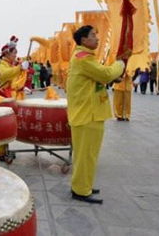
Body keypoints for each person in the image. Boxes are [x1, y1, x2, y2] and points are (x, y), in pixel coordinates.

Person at [67, 25, 125, 204]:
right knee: (86, 155)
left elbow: (99, 77)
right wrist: (120, 63)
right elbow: (106, 73)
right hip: (87, 115)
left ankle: (83, 184)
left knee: (87, 154)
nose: (97, 38)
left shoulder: (84, 57)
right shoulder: (83, 58)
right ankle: (81, 191)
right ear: (84, 40)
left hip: (89, 113)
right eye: (93, 35)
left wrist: (111, 76)